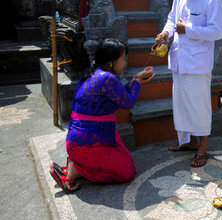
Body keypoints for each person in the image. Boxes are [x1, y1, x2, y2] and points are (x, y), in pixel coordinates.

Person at [49, 38, 155, 193]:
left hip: (80, 141)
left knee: (126, 161)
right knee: (126, 172)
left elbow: (119, 96)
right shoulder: (107, 78)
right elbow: (128, 103)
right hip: (88, 145)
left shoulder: (94, 74)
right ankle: (75, 170)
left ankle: (77, 162)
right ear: (111, 62)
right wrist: (137, 81)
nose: (124, 63)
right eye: (122, 59)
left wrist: (134, 80)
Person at [155, 0, 222, 168]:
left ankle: (202, 147)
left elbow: (217, 32)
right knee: (182, 105)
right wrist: (166, 32)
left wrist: (189, 30)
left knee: (199, 107)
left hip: (197, 64)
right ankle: (187, 142)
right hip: (179, 59)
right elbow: (171, 18)